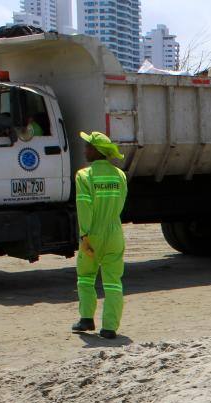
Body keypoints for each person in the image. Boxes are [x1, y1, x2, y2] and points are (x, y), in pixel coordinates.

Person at [72, 131, 128, 339]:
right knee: (113, 282)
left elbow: (84, 207)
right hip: (114, 233)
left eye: (88, 146)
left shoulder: (84, 176)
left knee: (86, 277)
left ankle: (86, 319)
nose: (85, 149)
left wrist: (84, 235)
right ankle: (110, 328)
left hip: (92, 233)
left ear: (96, 151)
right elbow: (120, 204)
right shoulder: (120, 175)